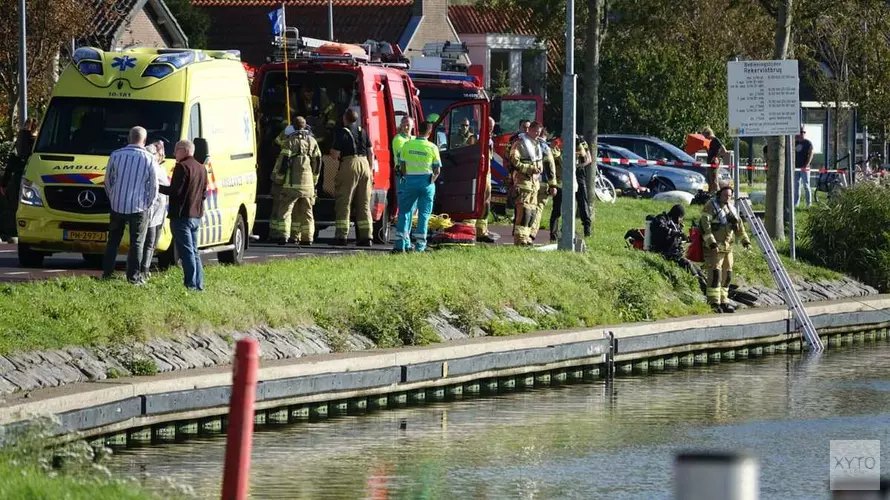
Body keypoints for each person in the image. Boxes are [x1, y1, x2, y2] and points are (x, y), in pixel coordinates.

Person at [102, 126, 158, 284]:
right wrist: (149, 204)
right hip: (139, 206)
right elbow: (153, 186)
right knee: (137, 243)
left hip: (117, 205)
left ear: (129, 138)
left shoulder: (116, 155)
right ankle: (133, 277)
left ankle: (107, 273)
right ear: (145, 140)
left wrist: (113, 197)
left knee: (113, 240)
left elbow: (107, 181)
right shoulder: (149, 158)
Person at [160, 140, 207, 291]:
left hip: (181, 216)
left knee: (186, 253)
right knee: (194, 251)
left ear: (185, 150)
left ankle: (191, 285)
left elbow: (175, 191)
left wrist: (157, 187)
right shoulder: (201, 168)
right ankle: (198, 284)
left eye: (176, 150)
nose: (174, 154)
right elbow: (203, 194)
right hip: (196, 215)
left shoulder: (182, 167)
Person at [269, 116, 322, 245]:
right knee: (307, 212)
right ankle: (308, 238)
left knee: (285, 210)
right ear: (305, 126)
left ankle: (283, 236)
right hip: (308, 184)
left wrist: (279, 179)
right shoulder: (312, 141)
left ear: (293, 126)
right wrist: (314, 180)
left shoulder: (290, 142)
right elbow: (318, 161)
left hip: (292, 183)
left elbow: (283, 162)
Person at [700, 183, 751, 313]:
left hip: (728, 248)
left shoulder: (732, 209)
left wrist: (746, 242)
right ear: (719, 194)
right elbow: (705, 226)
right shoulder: (711, 206)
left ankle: (724, 301)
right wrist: (711, 243)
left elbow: (739, 228)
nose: (727, 197)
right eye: (725, 195)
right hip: (714, 247)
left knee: (727, 275)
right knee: (715, 274)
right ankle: (713, 302)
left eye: (729, 195)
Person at [392, 121, 441, 253]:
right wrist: (431, 181)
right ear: (430, 133)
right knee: (424, 215)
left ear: (417, 129)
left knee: (404, 212)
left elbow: (401, 164)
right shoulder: (432, 147)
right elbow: (437, 170)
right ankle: (420, 247)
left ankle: (400, 245)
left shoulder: (407, 145)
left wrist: (406, 175)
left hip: (410, 181)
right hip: (426, 182)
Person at [330, 109, 373, 246]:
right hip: (365, 165)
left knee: (344, 201)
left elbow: (335, 155)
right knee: (364, 203)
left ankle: (341, 236)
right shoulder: (363, 131)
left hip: (350, 164)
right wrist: (370, 169)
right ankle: (367, 237)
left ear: (345, 119)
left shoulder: (343, 132)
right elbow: (371, 152)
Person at [649, 204, 707, 292]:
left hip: (675, 252)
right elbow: (660, 228)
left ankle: (710, 284)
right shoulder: (663, 219)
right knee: (688, 264)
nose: (680, 219)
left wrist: (685, 238)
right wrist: (675, 233)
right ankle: (702, 285)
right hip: (664, 252)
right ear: (676, 215)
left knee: (697, 268)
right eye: (680, 217)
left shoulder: (677, 224)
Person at [1, 118, 39, 241]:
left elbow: (12, 161)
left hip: (19, 177)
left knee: (17, 207)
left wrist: (4, 183)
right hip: (32, 178)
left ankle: (17, 231)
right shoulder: (37, 142)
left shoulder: (20, 142)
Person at [509, 121, 544, 246]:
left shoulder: (537, 145)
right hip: (523, 182)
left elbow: (539, 161)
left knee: (532, 213)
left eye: (539, 133)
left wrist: (538, 170)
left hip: (534, 184)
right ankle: (519, 239)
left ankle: (526, 237)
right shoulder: (520, 143)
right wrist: (529, 169)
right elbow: (514, 160)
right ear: (529, 131)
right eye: (535, 132)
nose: (537, 135)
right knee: (523, 212)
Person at [139, 141, 170, 279]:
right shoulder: (153, 167)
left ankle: (145, 268)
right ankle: (143, 269)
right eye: (160, 153)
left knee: (152, 242)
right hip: (152, 210)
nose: (162, 156)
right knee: (149, 242)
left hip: (159, 210)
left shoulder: (159, 167)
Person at [529, 129, 557, 240]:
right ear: (545, 136)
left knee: (529, 206)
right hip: (543, 183)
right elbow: (550, 167)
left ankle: (524, 231)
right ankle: (532, 232)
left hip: (530, 181)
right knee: (538, 208)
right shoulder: (545, 148)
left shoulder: (529, 144)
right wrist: (553, 185)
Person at [702, 127, 727, 193]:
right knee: (710, 181)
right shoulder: (712, 142)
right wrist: (706, 149)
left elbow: (724, 150)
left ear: (708, 134)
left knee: (714, 181)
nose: (705, 138)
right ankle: (711, 195)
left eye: (705, 136)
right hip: (710, 163)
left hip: (714, 164)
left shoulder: (716, 140)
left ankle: (718, 195)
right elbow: (711, 154)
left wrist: (716, 157)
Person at [794, 127, 814, 207]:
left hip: (805, 168)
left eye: (803, 132)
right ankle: (796, 203)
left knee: (806, 185)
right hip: (796, 167)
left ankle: (809, 204)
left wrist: (807, 164)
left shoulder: (808, 143)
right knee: (796, 185)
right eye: (800, 132)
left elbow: (811, 154)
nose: (802, 134)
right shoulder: (794, 142)